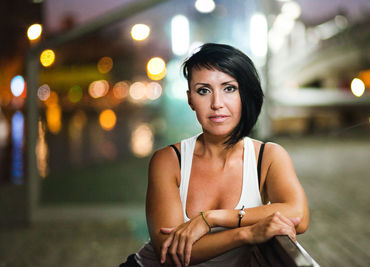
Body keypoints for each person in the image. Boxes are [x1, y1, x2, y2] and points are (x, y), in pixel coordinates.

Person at [120, 43, 309, 267]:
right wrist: (246, 234)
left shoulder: (268, 157)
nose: (217, 104)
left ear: (245, 93)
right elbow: (169, 250)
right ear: (190, 99)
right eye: (203, 90)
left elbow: (298, 215)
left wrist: (211, 218)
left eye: (229, 88)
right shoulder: (169, 161)